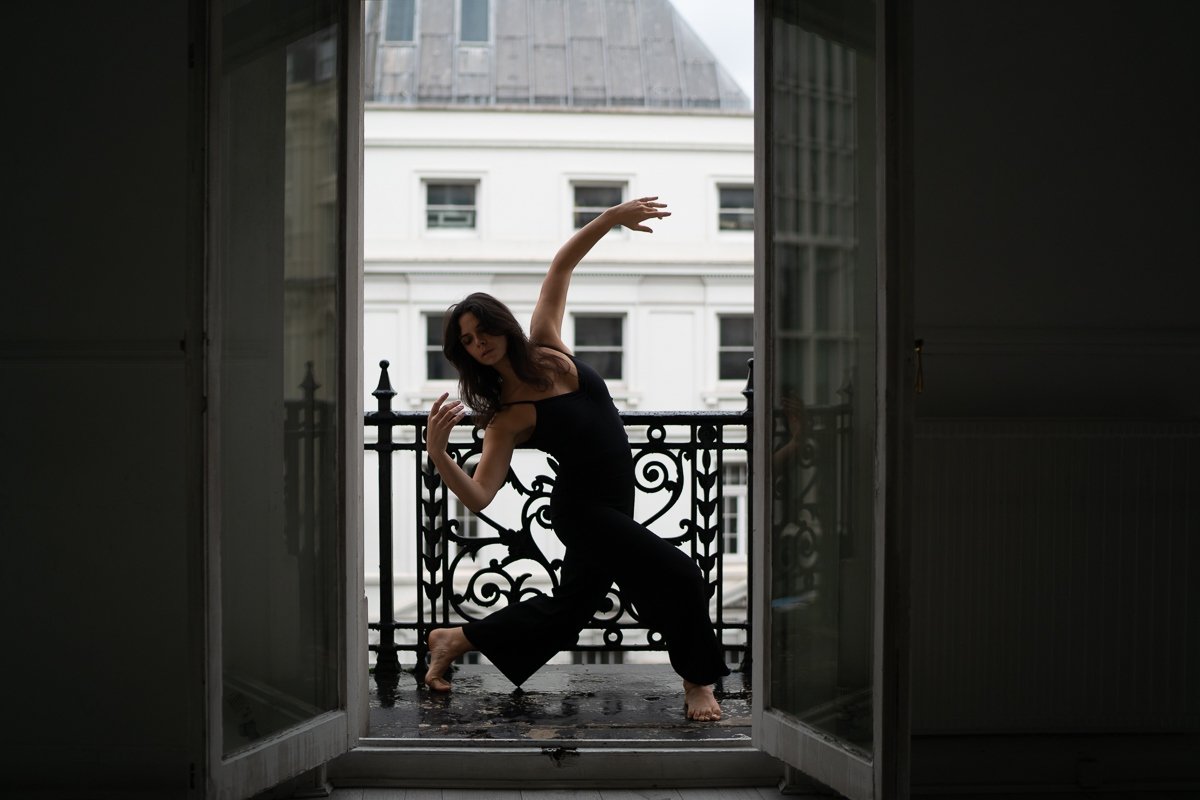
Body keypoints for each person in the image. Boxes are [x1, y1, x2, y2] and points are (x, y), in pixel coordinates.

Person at [424, 196, 728, 722]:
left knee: (569, 612)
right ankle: (698, 682)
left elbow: (560, 268)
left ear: (502, 324)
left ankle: (454, 639)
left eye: (484, 332)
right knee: (681, 576)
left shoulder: (547, 346)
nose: (480, 346)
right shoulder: (507, 417)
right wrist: (438, 453)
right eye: (468, 343)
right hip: (584, 512)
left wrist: (612, 218)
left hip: (618, 499)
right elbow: (479, 494)